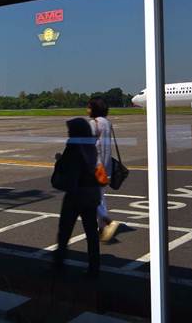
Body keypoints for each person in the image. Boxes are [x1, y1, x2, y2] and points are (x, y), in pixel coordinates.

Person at [54, 118, 101, 278]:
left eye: (70, 130)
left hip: (76, 193)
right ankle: (94, 267)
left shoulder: (73, 147)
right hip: (91, 192)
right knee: (91, 232)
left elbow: (67, 166)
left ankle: (58, 263)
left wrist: (59, 160)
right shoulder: (90, 145)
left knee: (64, 231)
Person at [87, 97, 119, 242]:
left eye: (89, 107)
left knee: (92, 197)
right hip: (107, 166)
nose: (87, 110)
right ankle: (102, 227)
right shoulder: (107, 123)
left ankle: (107, 222)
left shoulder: (94, 123)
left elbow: (87, 144)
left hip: (96, 165)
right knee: (100, 196)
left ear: (94, 108)